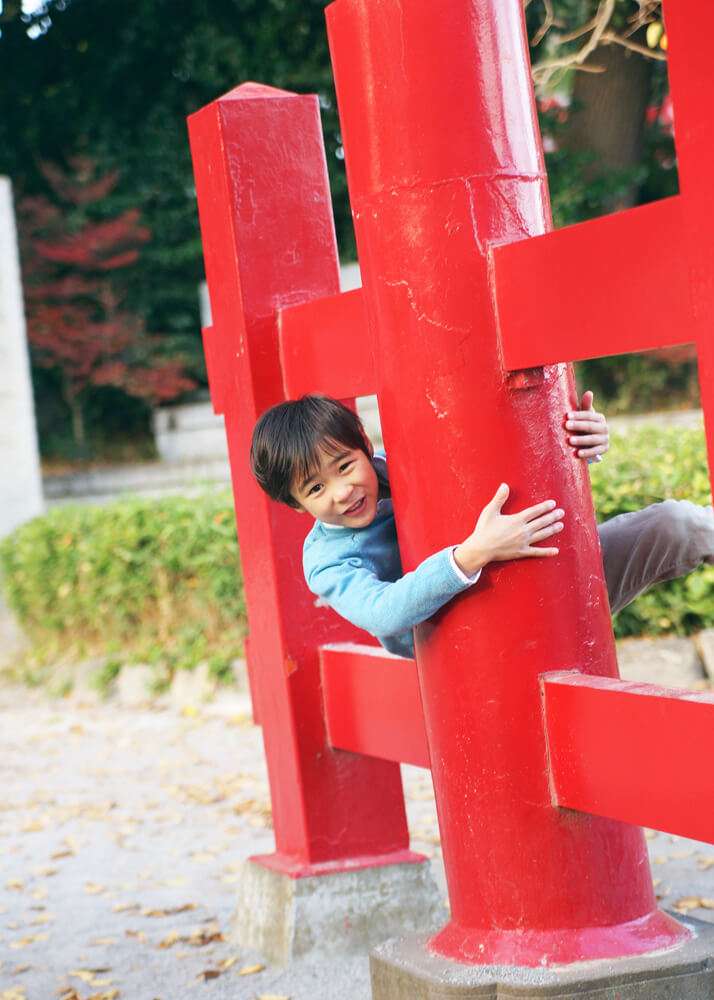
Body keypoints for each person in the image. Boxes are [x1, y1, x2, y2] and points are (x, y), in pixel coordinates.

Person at [250, 394, 714, 658]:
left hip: (547, 581)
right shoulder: (327, 561)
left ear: (365, 446)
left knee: (679, 523)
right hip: (466, 648)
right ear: (295, 505)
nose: (341, 491)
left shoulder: (404, 464)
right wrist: (474, 553)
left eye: (345, 466)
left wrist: (579, 439)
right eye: (314, 490)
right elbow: (383, 613)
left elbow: (507, 467)